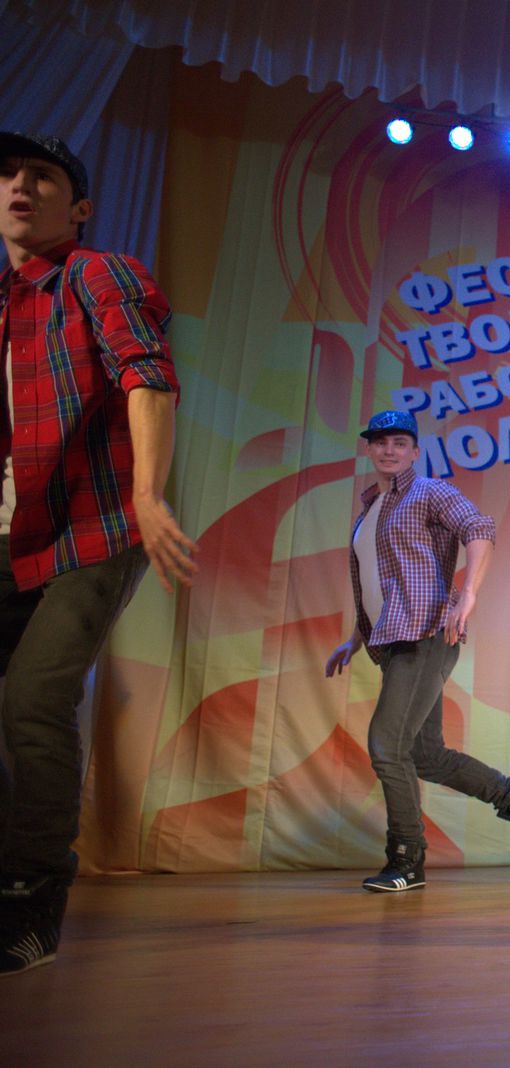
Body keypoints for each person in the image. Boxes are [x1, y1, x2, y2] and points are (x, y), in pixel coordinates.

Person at [0, 132, 196, 976]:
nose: (20, 186)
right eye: (8, 175)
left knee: (34, 697)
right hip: (16, 530)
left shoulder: (97, 274)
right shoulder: (4, 301)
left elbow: (147, 375)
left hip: (97, 525)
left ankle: (33, 896)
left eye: (42, 177)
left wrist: (149, 496)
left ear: (78, 206)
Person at [325, 410, 510, 891]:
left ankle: (406, 859)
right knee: (424, 754)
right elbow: (379, 582)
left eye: (399, 442)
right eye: (380, 442)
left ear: (414, 450)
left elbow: (479, 528)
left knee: (388, 747)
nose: (389, 450)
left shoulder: (429, 492)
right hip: (393, 639)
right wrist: (355, 638)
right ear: (368, 449)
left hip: (426, 634)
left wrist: (467, 594)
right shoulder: (370, 509)